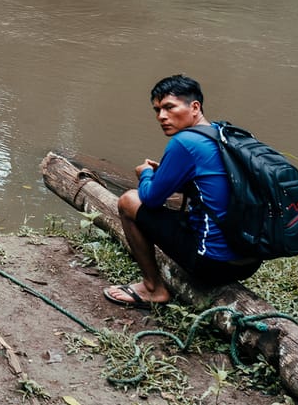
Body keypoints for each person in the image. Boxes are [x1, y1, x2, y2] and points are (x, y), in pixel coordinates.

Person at [103, 74, 262, 309]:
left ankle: (152, 289)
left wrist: (146, 173)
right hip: (251, 259)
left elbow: (151, 199)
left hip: (214, 264)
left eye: (169, 107)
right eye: (157, 110)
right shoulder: (226, 133)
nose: (162, 116)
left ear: (194, 106)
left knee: (129, 201)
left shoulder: (185, 143)